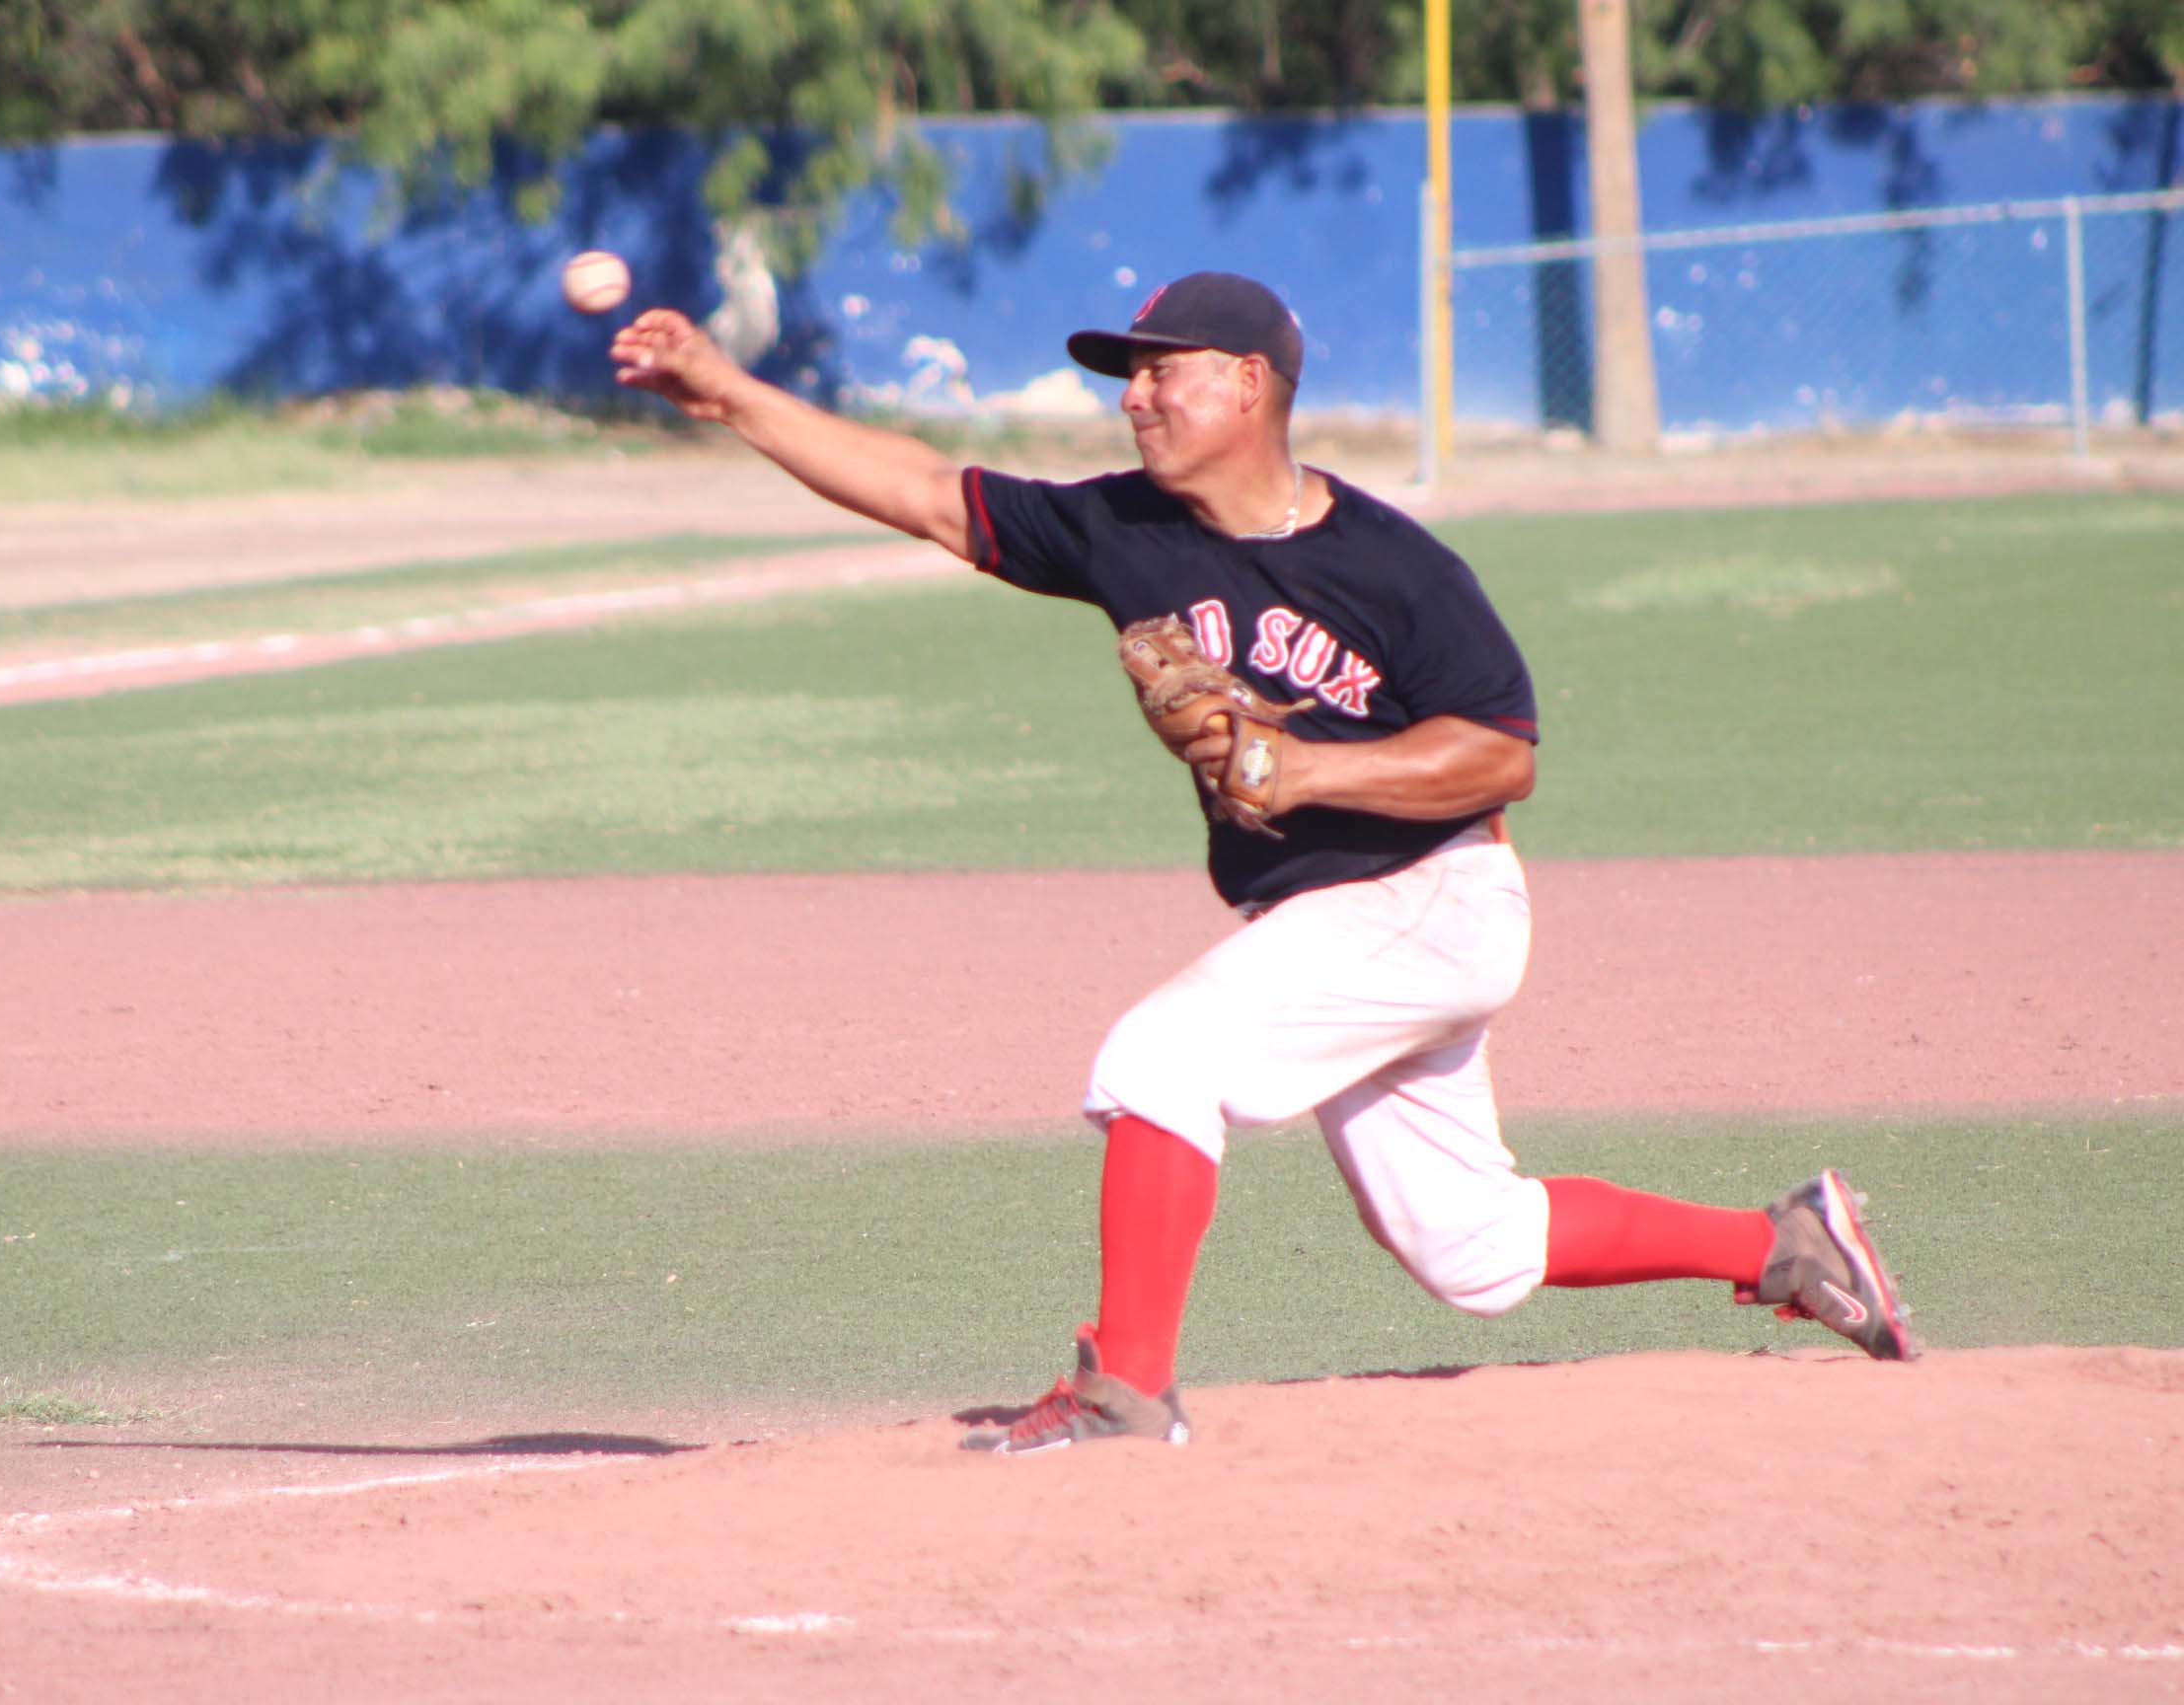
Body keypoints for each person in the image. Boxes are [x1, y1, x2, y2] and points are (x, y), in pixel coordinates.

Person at [610, 269, 1920, 1456]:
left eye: (1161, 368)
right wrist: (725, 391)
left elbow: (1501, 755)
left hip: (1434, 898)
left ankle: (1126, 1387)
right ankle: (1788, 1244)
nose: (1134, 396)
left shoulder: (1391, 567)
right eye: (1126, 373)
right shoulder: (1126, 532)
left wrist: (1305, 773)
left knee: (1158, 1057)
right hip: (1329, 923)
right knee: (1470, 1247)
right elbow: (925, 495)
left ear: (1247, 386)